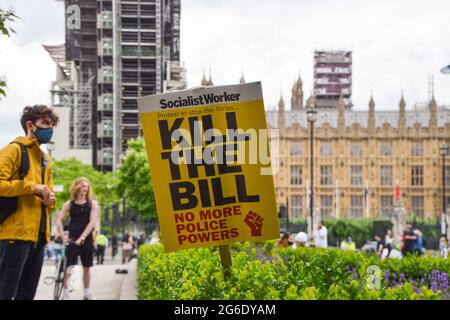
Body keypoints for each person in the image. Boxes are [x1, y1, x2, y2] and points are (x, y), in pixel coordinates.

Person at [0, 105, 59, 300]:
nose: (49, 129)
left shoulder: (45, 160)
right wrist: (32, 187)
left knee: (27, 294)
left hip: (39, 237)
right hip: (14, 234)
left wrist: (50, 199)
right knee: (6, 292)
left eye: (51, 125)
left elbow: (49, 200)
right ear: (30, 125)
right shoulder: (13, 150)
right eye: (45, 124)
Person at [56, 177, 99, 300]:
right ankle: (65, 293)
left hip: (86, 238)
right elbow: (59, 219)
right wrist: (62, 233)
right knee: (69, 267)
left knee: (87, 267)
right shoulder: (69, 204)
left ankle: (86, 293)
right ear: (76, 187)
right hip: (72, 238)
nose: (85, 188)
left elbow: (92, 223)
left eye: (87, 186)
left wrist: (83, 237)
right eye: (82, 186)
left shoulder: (93, 204)